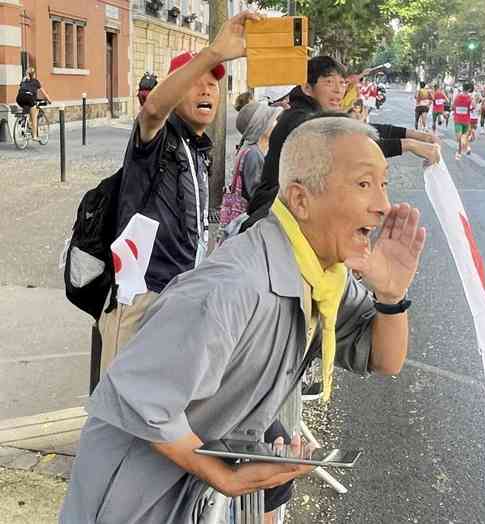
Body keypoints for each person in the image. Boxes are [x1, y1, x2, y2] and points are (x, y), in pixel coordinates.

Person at [59, 115, 427, 524]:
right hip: (132, 494)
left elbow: (383, 357)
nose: (383, 204)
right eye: (363, 184)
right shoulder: (230, 287)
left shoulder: (325, 278)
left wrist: (391, 295)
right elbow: (140, 399)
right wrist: (224, 476)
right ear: (300, 200)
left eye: (384, 183)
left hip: (191, 490)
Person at [95, 13, 257, 377]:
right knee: (121, 418)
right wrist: (213, 53)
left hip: (181, 298)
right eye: (195, 83)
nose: (205, 90)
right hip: (141, 299)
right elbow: (153, 108)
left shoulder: (199, 147)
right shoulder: (158, 137)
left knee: (162, 410)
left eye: (213, 85)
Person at [241, 56, 440, 232]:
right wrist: (409, 145)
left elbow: (358, 128)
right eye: (329, 82)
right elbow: (350, 146)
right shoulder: (301, 119)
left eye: (343, 83)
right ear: (308, 87)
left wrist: (414, 135)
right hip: (277, 217)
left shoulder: (315, 113)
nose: (338, 90)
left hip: (298, 211)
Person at [234, 101, 283, 200]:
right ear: (261, 128)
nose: (277, 123)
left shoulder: (260, 150)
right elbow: (256, 194)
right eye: (272, 121)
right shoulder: (253, 154)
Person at [15, 67, 51, 140]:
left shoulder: (23, 81)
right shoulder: (36, 81)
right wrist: (49, 100)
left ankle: (24, 121)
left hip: (19, 98)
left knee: (26, 108)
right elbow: (44, 93)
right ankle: (34, 136)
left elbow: (22, 89)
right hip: (29, 98)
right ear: (34, 74)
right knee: (34, 116)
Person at [452, 81, 474, 160]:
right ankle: (465, 148)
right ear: (468, 90)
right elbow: (473, 107)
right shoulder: (470, 98)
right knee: (462, 137)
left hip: (458, 120)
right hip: (466, 120)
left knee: (460, 138)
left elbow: (453, 106)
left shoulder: (457, 96)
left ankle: (460, 152)